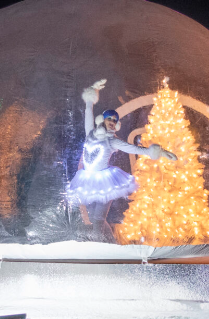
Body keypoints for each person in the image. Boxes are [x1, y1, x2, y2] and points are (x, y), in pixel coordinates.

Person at [68, 79, 176, 241]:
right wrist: (91, 96)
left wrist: (159, 152)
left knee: (98, 219)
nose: (112, 123)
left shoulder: (112, 141)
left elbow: (135, 149)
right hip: (87, 181)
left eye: (114, 121)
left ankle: (98, 248)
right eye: (109, 119)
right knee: (96, 218)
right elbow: (88, 113)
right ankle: (112, 244)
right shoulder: (90, 134)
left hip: (106, 182)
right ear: (103, 120)